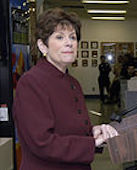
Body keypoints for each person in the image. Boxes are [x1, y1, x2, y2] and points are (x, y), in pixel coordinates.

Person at [13, 8, 118, 170]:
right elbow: (42, 142)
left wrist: (92, 132)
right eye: (60, 37)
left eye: (73, 37)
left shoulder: (73, 83)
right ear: (43, 46)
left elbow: (67, 129)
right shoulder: (31, 82)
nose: (69, 43)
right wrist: (90, 143)